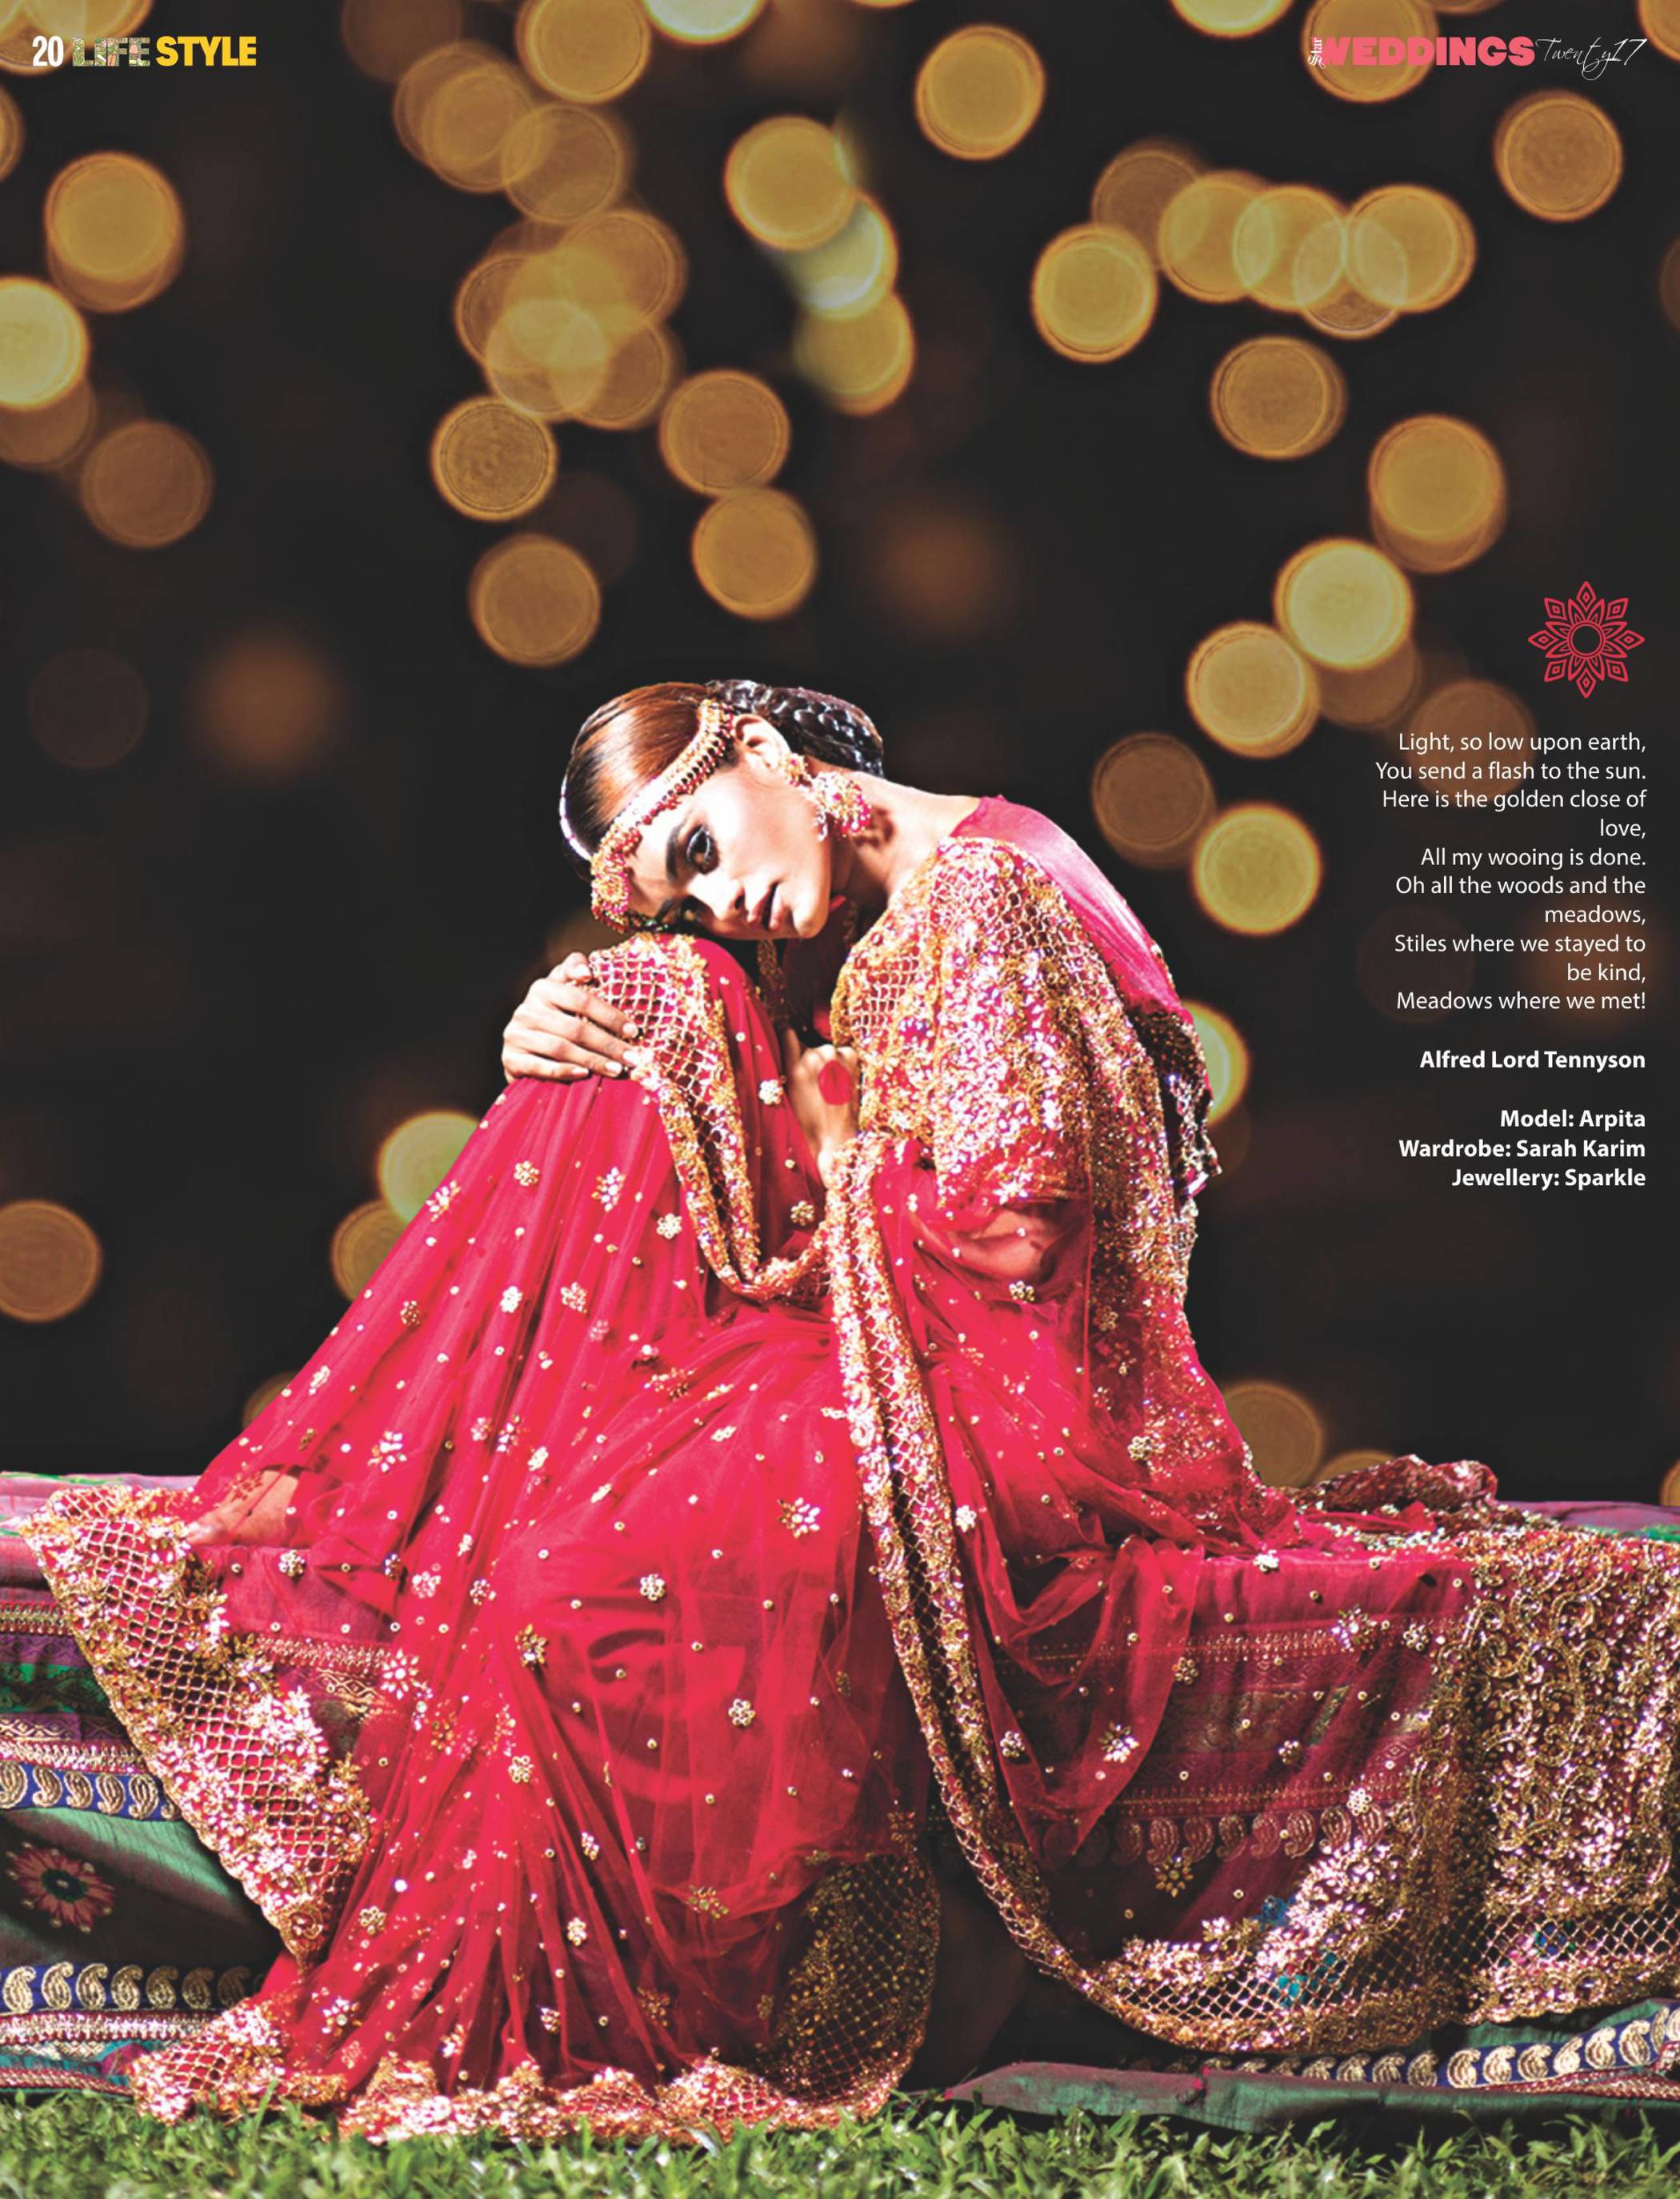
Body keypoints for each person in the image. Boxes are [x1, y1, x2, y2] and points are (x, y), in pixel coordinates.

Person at [16, 677, 1680, 2141]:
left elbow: (1023, 1235)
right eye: (676, 890)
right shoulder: (896, 897)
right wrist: (584, 1031)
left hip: (1008, 1409)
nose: (720, 901)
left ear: (761, 747)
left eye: (698, 850)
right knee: (648, 1044)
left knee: (565, 1583)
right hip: (907, 1353)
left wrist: (795, 1193)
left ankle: (635, 1996)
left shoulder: (984, 891)